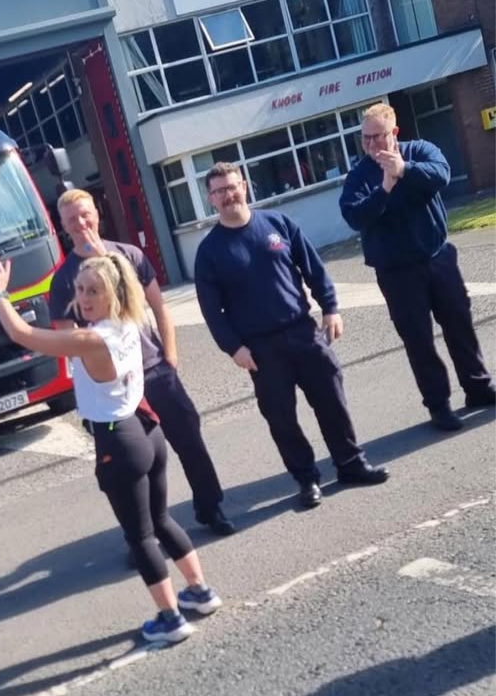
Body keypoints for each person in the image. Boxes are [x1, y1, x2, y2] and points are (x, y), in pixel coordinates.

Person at [0, 252, 222, 643]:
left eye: (94, 290)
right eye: (80, 289)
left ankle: (170, 618)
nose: (83, 297)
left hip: (120, 438)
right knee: (162, 520)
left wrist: (0, 295)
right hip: (146, 429)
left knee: (142, 536)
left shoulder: (91, 339)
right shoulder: (128, 321)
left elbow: (22, 335)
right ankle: (200, 591)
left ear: (113, 292)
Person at [194, 162, 389, 508]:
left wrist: (330, 307)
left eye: (232, 186)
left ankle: (350, 464)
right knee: (282, 420)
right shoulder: (209, 252)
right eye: (219, 191)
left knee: (332, 401)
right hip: (260, 350)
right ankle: (307, 480)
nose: (228, 195)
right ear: (210, 199)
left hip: (303, 331)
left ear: (245, 187)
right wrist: (234, 348)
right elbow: (212, 312)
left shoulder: (277, 224)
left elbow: (312, 267)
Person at [50, 189, 235, 537]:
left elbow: (157, 306)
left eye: (86, 214)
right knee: (135, 463)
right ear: (62, 225)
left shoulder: (128, 255)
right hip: (115, 387)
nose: (81, 223)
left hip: (154, 368)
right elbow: (66, 340)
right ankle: (147, 533)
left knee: (189, 439)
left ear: (97, 214)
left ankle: (211, 508)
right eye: (72, 219)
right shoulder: (64, 280)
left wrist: (171, 355)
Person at [339, 103, 495, 430]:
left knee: (459, 324)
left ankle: (478, 387)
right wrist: (385, 187)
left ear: (394, 133)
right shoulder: (359, 175)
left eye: (376, 137)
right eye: (364, 139)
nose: (370, 145)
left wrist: (405, 169)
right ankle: (438, 405)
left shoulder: (420, 151)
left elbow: (442, 174)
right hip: (396, 272)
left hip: (438, 257)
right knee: (418, 340)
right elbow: (355, 216)